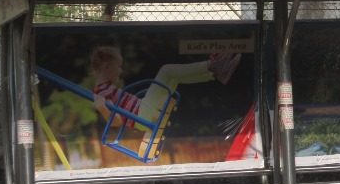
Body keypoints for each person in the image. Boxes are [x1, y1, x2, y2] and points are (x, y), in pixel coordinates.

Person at [90, 45, 240, 131]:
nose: (121, 71)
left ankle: (214, 73)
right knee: (166, 70)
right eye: (119, 67)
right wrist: (102, 108)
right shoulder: (102, 92)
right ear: (107, 66)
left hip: (142, 111)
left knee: (174, 77)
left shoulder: (106, 88)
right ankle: (212, 66)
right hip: (141, 115)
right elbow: (116, 122)